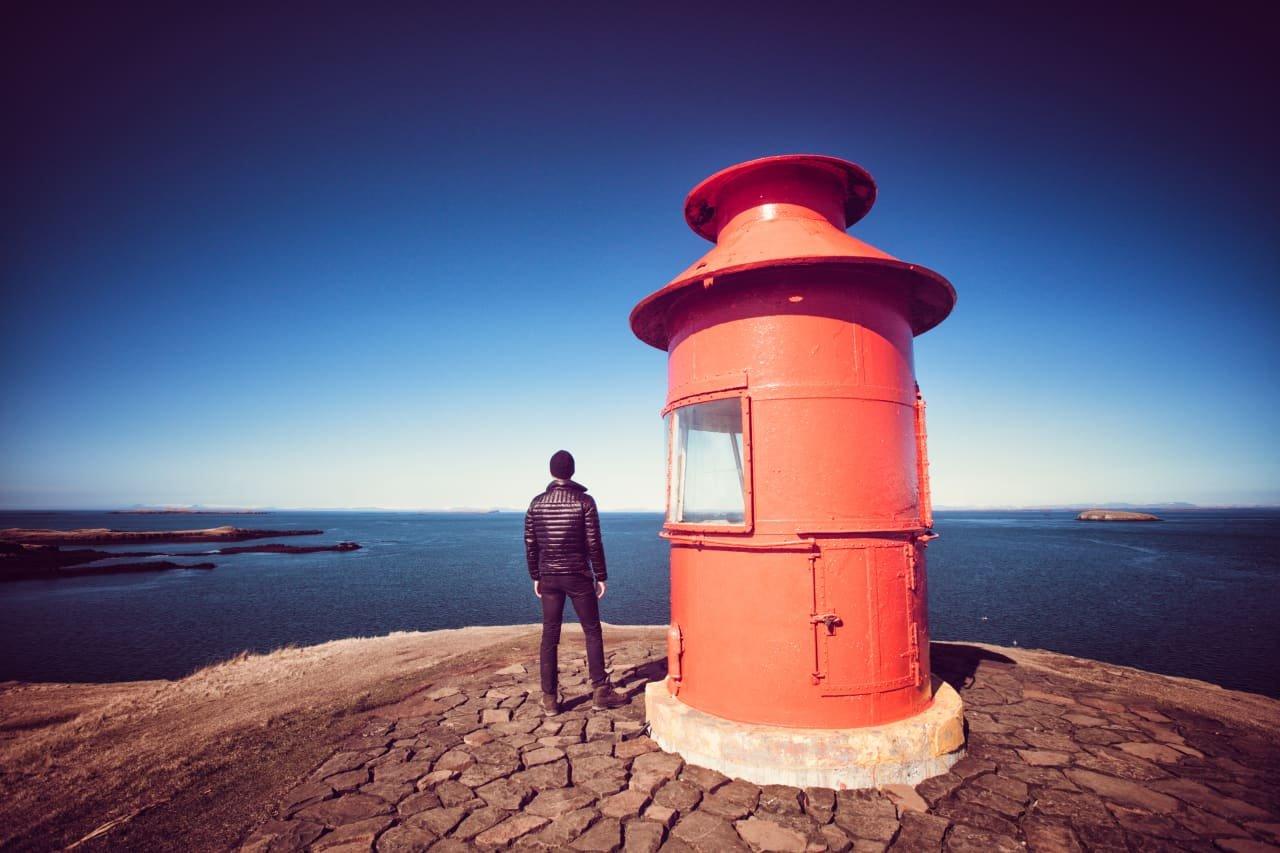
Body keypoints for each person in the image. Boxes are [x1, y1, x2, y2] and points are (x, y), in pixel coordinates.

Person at [524, 449, 628, 716]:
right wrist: (601, 576)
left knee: (550, 635)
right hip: (579, 576)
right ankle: (600, 693)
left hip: (549, 577)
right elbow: (594, 542)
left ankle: (549, 699)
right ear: (572, 471)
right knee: (592, 631)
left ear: (551, 471)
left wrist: (535, 575)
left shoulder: (536, 503)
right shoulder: (585, 501)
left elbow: (531, 543)